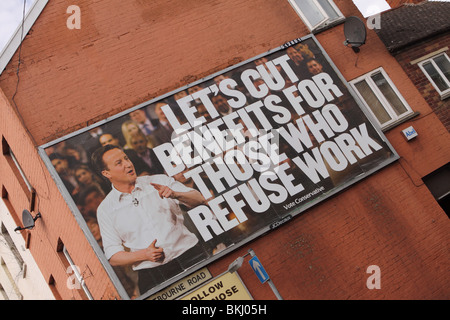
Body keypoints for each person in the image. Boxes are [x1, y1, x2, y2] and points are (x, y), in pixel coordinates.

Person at [91, 144, 207, 294]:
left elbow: (198, 199)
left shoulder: (159, 181)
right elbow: (113, 256)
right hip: (153, 275)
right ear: (106, 173)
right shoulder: (106, 210)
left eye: (126, 158)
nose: (127, 164)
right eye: (119, 163)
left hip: (190, 255)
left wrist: (175, 194)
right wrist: (144, 254)